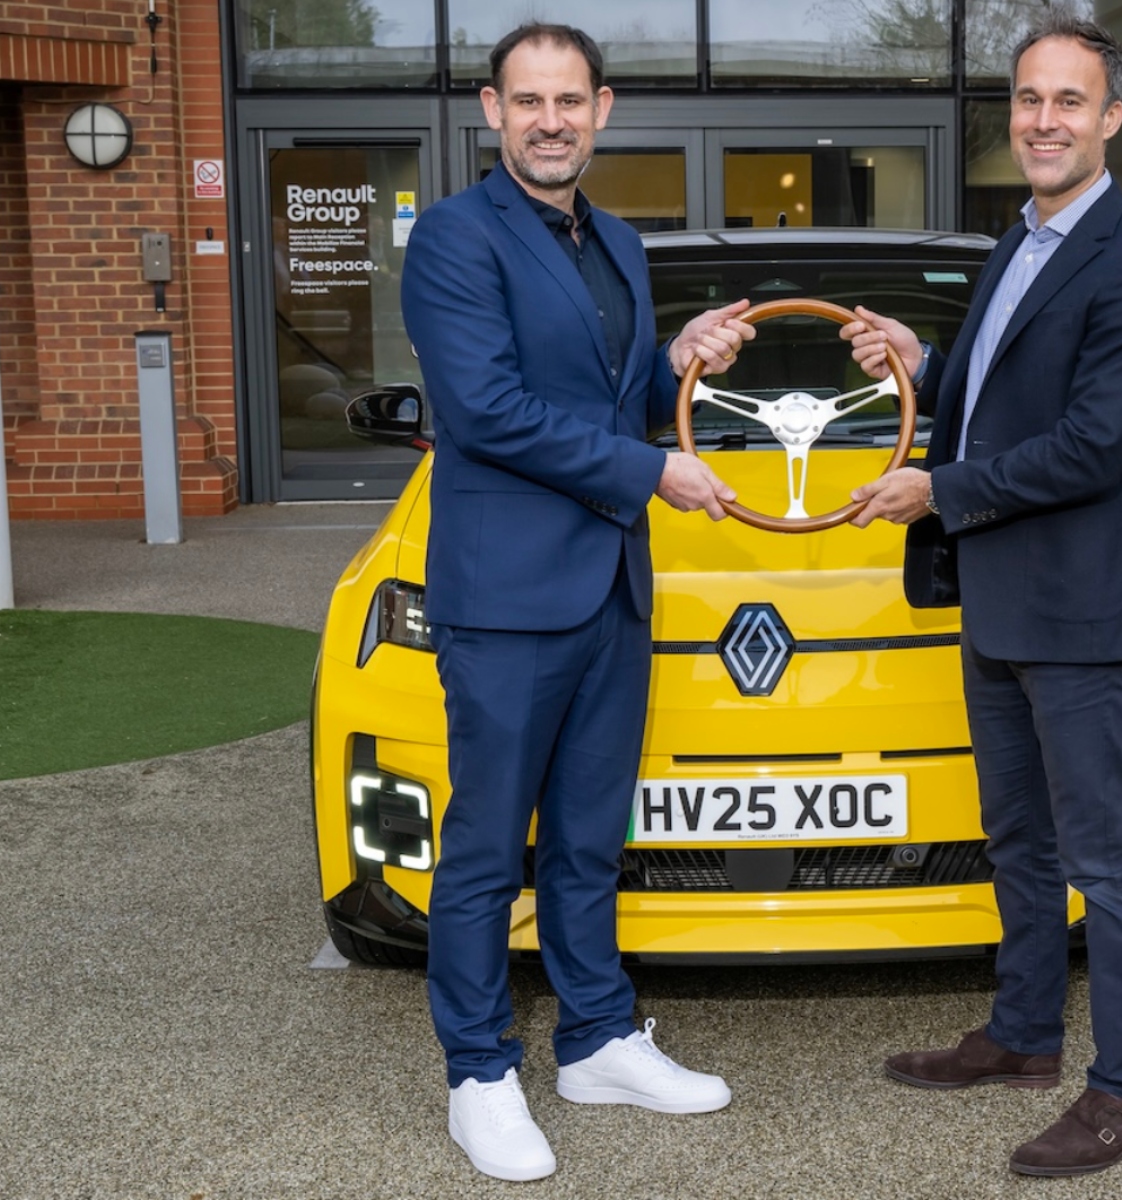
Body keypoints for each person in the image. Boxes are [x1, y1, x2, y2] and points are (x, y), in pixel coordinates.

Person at [398, 22, 755, 1183]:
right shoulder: (455, 237)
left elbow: (616, 395)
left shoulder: (618, 241)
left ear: (602, 109)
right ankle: (478, 1074)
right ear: (492, 111)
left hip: (610, 585)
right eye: (527, 101)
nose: (549, 121)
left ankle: (597, 1040)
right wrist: (654, 472)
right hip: (507, 596)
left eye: (568, 100)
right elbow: (489, 410)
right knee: (485, 848)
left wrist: (681, 362)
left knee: (590, 839)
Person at [840, 11, 1122, 1180]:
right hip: (996, 599)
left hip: (1074, 613)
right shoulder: (1020, 241)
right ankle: (1025, 1034)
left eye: (1068, 101)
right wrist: (919, 361)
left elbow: (1092, 449)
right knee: (1019, 840)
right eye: (1029, 99)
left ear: (1111, 119)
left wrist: (937, 491)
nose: (1044, 120)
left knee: (1108, 865)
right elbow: (999, 400)